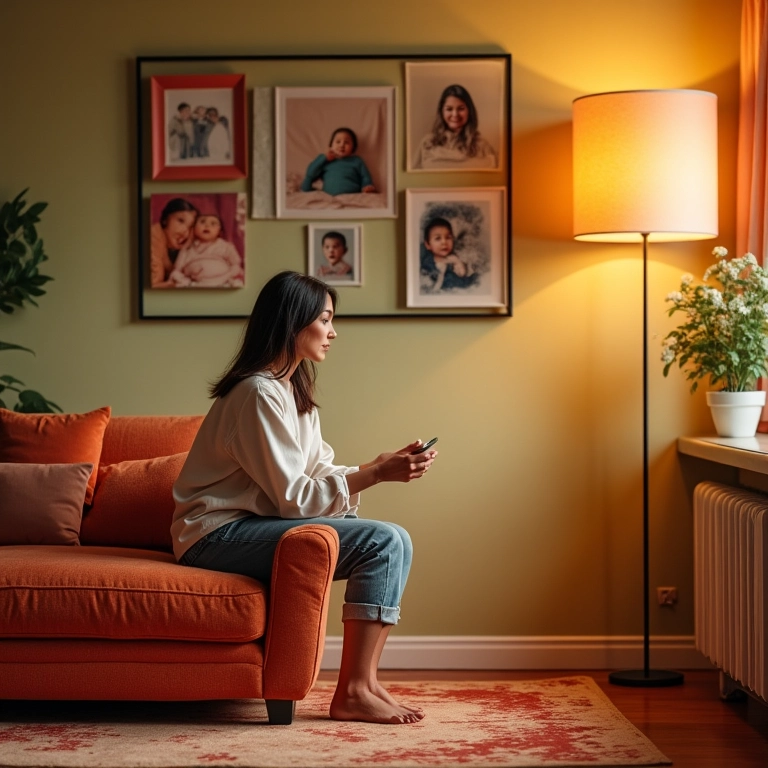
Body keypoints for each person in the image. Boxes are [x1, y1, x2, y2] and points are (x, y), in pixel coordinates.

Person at [171, 271, 437, 724]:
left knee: (395, 539)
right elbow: (295, 498)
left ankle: (366, 683)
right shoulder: (257, 393)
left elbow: (315, 472)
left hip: (250, 528)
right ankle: (353, 691)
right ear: (294, 322)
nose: (333, 332)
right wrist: (373, 475)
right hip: (213, 537)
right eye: (325, 319)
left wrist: (378, 466)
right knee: (383, 541)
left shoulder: (290, 391)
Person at [412, 85, 498, 170]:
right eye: (449, 109)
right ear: (441, 111)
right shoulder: (427, 143)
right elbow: (412, 179)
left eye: (461, 108)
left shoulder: (482, 145)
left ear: (469, 111)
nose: (455, 114)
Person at [169, 213, 243, 288]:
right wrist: (184, 280)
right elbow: (177, 270)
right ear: (193, 228)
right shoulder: (187, 248)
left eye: (213, 223)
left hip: (223, 282)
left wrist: (226, 276)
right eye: (202, 222)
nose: (207, 226)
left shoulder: (226, 246)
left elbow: (236, 265)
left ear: (220, 231)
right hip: (193, 285)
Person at [301, 128, 376, 196]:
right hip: (329, 197)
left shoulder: (356, 160)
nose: (342, 145)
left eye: (346, 142)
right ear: (331, 146)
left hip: (352, 195)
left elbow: (365, 176)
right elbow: (311, 173)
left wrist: (367, 185)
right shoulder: (325, 161)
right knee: (305, 185)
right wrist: (323, 158)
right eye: (338, 142)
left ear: (353, 148)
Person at [150, 197, 198, 288]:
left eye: (190, 227)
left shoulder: (170, 246)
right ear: (165, 219)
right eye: (180, 221)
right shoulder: (154, 236)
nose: (185, 232)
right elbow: (154, 284)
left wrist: (185, 248)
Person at [422, 216, 475, 292]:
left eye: (448, 237)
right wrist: (441, 273)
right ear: (428, 245)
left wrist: (458, 262)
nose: (444, 242)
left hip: (459, 289)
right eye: (438, 238)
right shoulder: (427, 263)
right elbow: (430, 285)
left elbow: (462, 274)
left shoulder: (453, 258)